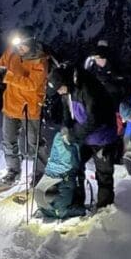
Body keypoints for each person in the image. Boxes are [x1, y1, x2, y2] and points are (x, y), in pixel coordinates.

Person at [52, 62, 119, 209]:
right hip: (85, 135)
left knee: (104, 174)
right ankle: (76, 202)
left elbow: (94, 119)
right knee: (75, 165)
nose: (59, 92)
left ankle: (104, 209)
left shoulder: (87, 87)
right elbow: (66, 113)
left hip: (103, 136)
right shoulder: (67, 90)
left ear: (66, 81)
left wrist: (74, 134)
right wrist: (66, 128)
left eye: (60, 88)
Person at [0, 29, 49, 187]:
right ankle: (13, 171)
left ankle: (39, 172)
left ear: (30, 44)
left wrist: (8, 77)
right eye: (18, 45)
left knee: (35, 144)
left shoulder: (40, 60)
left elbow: (32, 85)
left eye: (23, 46)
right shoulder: (11, 52)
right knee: (9, 141)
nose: (19, 49)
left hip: (30, 109)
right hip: (10, 106)